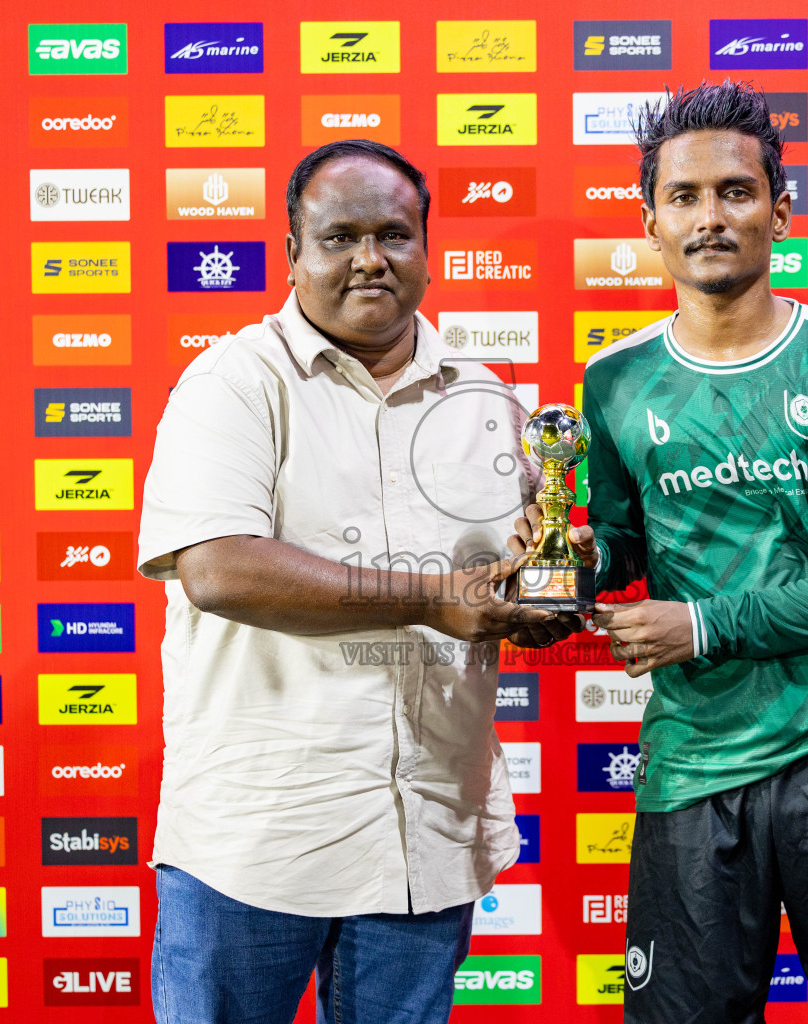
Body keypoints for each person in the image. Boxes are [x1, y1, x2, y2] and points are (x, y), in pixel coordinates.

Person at [515, 81, 808, 1023]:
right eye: (684, 197)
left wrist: (704, 625)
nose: (710, 217)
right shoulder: (613, 380)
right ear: (650, 222)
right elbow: (620, 547)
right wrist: (562, 567)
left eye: (735, 192)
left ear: (779, 210)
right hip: (691, 762)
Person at [138, 139, 567, 1024]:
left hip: (426, 835)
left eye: (394, 235)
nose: (370, 259)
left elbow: (518, 569)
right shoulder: (233, 382)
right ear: (292, 253)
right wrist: (431, 601)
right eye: (340, 237)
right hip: (256, 843)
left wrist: (544, 595)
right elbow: (219, 570)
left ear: (426, 246)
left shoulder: (488, 402)